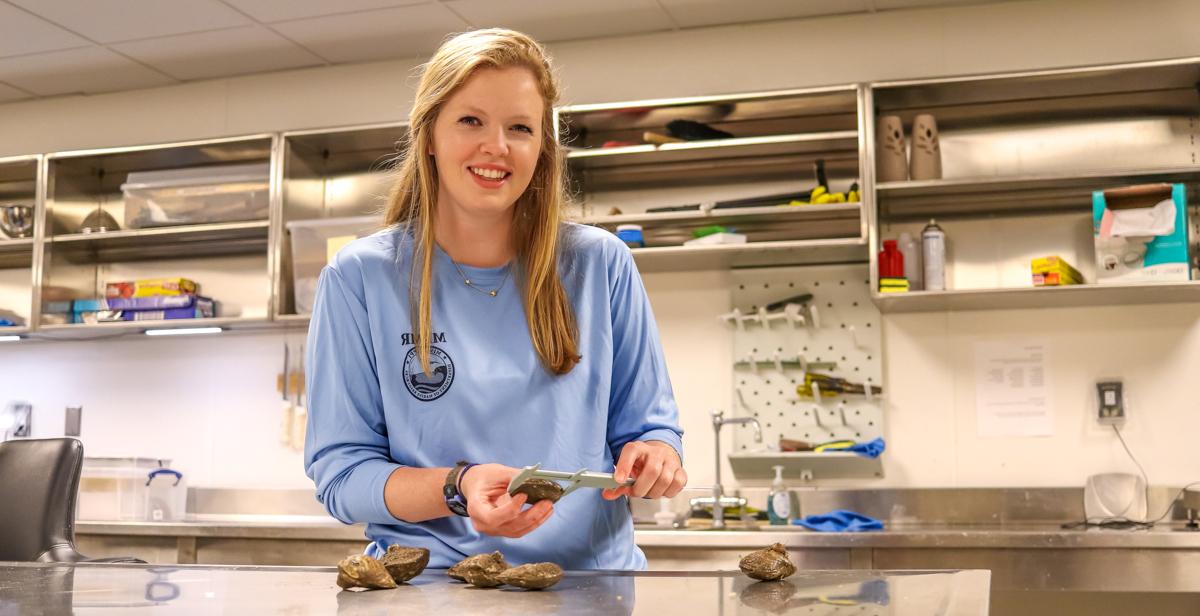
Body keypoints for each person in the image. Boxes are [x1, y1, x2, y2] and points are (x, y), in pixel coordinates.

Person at [304, 28, 686, 571]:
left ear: (542, 148)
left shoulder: (601, 264)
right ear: (429, 135)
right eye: (471, 120)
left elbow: (652, 427)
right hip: (433, 587)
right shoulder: (360, 278)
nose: (497, 147)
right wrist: (456, 488)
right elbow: (341, 475)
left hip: (591, 588)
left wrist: (656, 455)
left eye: (520, 128)